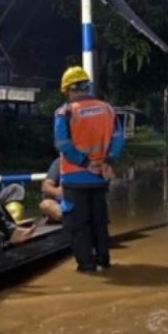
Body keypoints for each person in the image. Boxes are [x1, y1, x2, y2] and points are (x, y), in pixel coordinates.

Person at [54, 66, 123, 272]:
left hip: (75, 178)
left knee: (78, 225)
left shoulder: (65, 112)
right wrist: (108, 161)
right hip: (101, 177)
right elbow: (118, 139)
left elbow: (63, 145)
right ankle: (104, 259)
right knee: (99, 222)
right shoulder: (107, 109)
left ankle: (87, 266)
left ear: (67, 89)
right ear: (87, 86)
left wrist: (85, 163)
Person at [39, 157, 62, 223]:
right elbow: (46, 187)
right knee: (46, 205)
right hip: (62, 204)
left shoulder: (91, 162)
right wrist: (59, 192)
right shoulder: (59, 162)